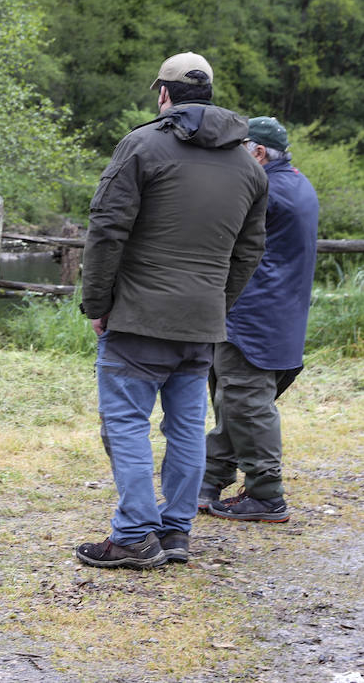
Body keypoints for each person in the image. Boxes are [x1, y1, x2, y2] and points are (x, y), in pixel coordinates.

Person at [77, 53, 267, 569]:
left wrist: (97, 303)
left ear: (164, 95)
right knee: (186, 428)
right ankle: (176, 532)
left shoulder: (141, 146)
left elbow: (107, 229)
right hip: (202, 324)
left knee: (126, 425)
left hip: (137, 319)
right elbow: (249, 251)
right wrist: (215, 305)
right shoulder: (250, 167)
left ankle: (135, 535)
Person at [201, 117, 319, 523]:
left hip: (254, 317)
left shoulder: (266, 191)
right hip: (275, 316)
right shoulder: (297, 184)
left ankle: (266, 494)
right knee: (232, 399)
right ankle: (210, 480)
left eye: (240, 148)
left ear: (259, 153)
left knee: (246, 403)